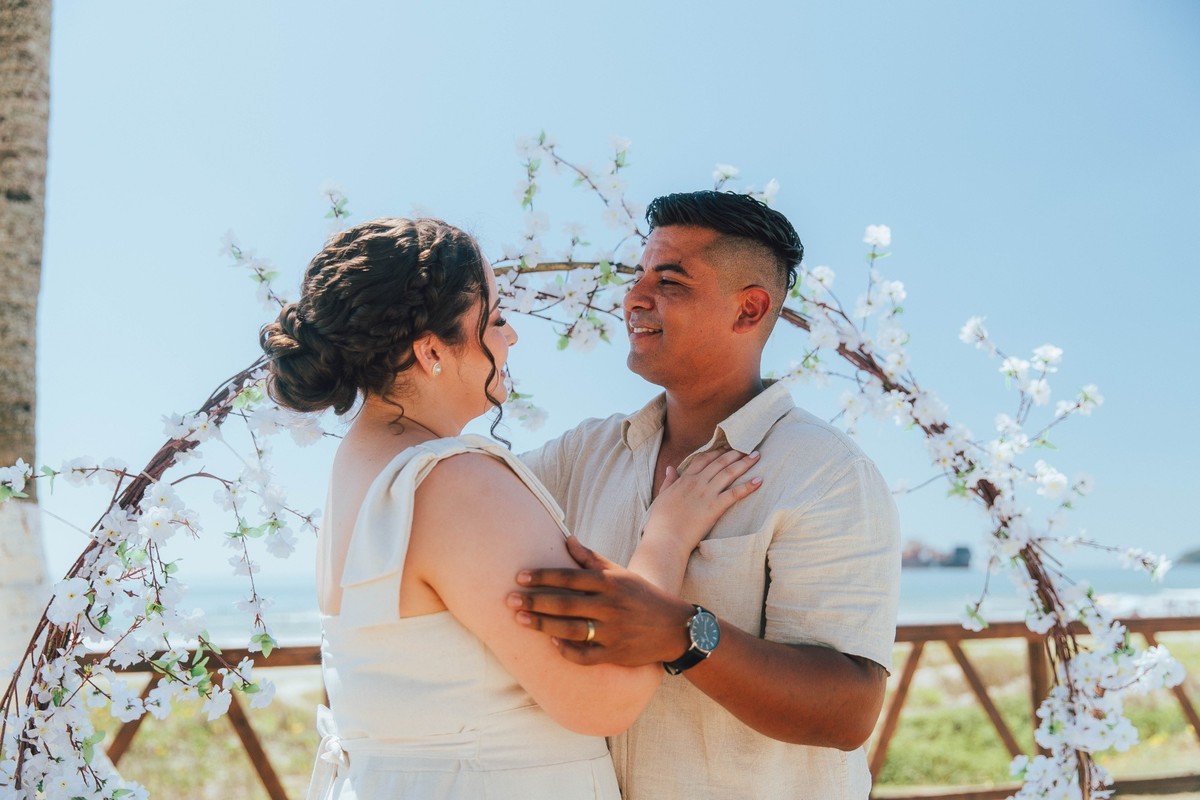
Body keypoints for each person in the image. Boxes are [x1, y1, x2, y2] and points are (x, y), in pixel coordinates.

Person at [259, 217, 762, 799]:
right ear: (431, 350)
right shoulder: (453, 482)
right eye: (495, 319)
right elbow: (602, 700)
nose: (512, 337)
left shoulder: (360, 463)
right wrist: (668, 535)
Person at [513, 191, 902, 799]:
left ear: (749, 310)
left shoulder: (826, 473)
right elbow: (463, 505)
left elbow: (848, 713)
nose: (634, 297)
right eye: (638, 274)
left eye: (669, 281)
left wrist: (681, 633)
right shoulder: (582, 454)